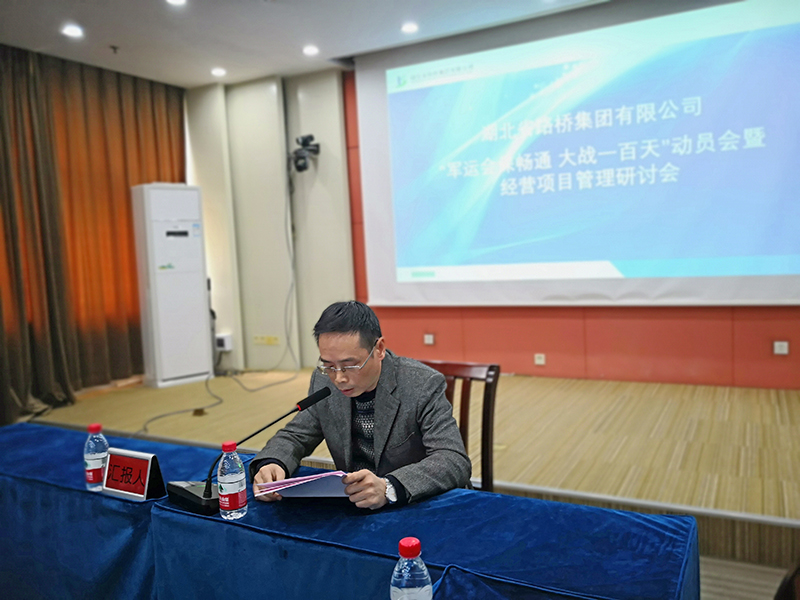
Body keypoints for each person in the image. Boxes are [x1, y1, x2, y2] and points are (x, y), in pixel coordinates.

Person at [250, 301, 471, 510]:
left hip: (418, 504)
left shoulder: (421, 384)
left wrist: (389, 488)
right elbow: (296, 435)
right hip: (356, 503)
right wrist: (273, 463)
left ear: (379, 349)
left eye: (350, 365)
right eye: (329, 366)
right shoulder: (324, 382)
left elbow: (452, 459)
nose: (339, 378)